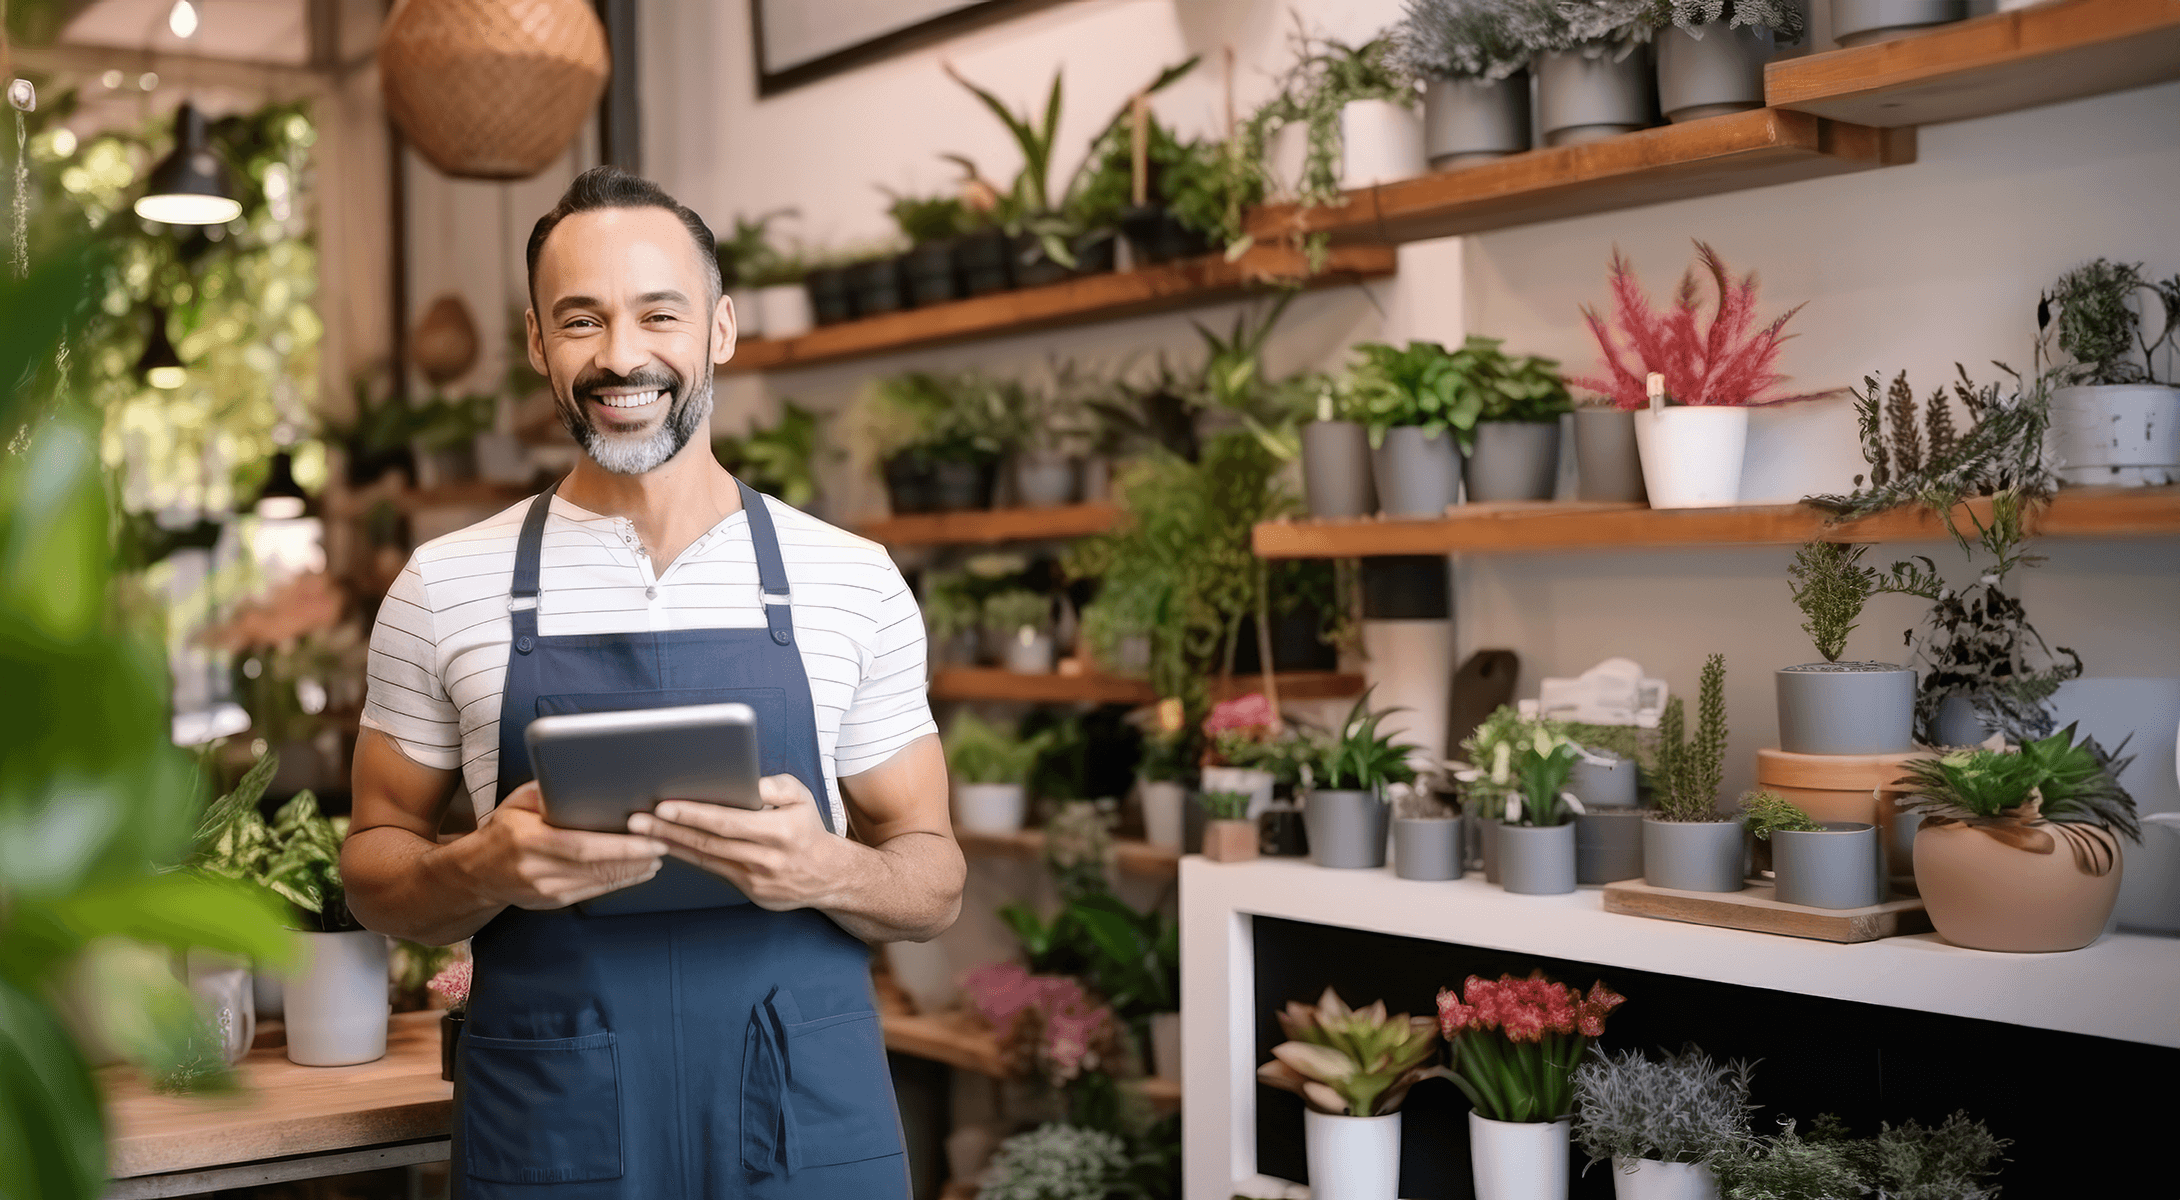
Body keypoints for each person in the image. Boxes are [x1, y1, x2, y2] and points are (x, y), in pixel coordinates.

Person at [342, 166, 961, 1198]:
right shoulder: (443, 585)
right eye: (580, 320)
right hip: (558, 1117)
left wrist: (825, 870)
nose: (620, 356)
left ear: (719, 328)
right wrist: (482, 869)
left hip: (794, 1115)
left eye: (656, 314)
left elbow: (932, 879)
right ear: (538, 343)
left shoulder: (847, 578)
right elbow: (372, 867)